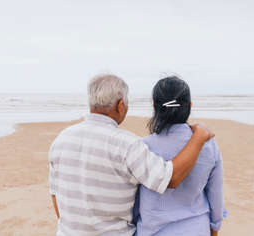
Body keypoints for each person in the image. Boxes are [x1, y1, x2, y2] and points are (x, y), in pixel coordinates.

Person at [48, 74, 215, 236]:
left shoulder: (60, 140)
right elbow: (170, 178)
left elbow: (55, 195)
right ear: (120, 105)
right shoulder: (127, 145)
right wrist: (199, 137)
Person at [134, 76, 226, 236]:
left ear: (155, 107)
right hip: (197, 229)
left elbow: (134, 201)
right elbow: (216, 196)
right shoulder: (209, 145)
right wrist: (214, 227)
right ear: (190, 106)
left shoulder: (143, 147)